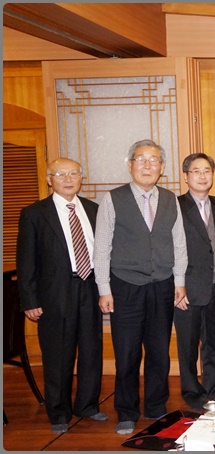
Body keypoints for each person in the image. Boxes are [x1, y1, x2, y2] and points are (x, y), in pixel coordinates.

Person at [94, 139, 188, 434]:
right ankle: (126, 410)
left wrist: (179, 281)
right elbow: (101, 247)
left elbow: (179, 243)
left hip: (162, 284)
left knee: (159, 350)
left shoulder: (170, 199)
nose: (147, 165)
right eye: (141, 159)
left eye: (153, 160)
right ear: (130, 164)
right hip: (125, 286)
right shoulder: (112, 199)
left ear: (162, 167)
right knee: (127, 352)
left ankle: (156, 406)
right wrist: (104, 288)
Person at [17, 158, 107, 434]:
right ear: (49, 180)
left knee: (91, 350)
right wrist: (30, 300)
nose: (68, 179)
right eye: (60, 174)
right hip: (54, 293)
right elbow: (26, 261)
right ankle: (58, 412)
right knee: (58, 354)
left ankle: (87, 405)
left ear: (81, 178)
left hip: (90, 286)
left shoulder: (93, 209)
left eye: (73, 174)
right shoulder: (34, 213)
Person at [175, 153, 215, 410]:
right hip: (188, 287)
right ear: (186, 176)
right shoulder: (175, 206)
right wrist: (176, 285)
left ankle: (214, 388)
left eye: (207, 170)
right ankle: (192, 391)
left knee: (214, 340)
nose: (202, 176)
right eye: (196, 171)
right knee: (187, 344)